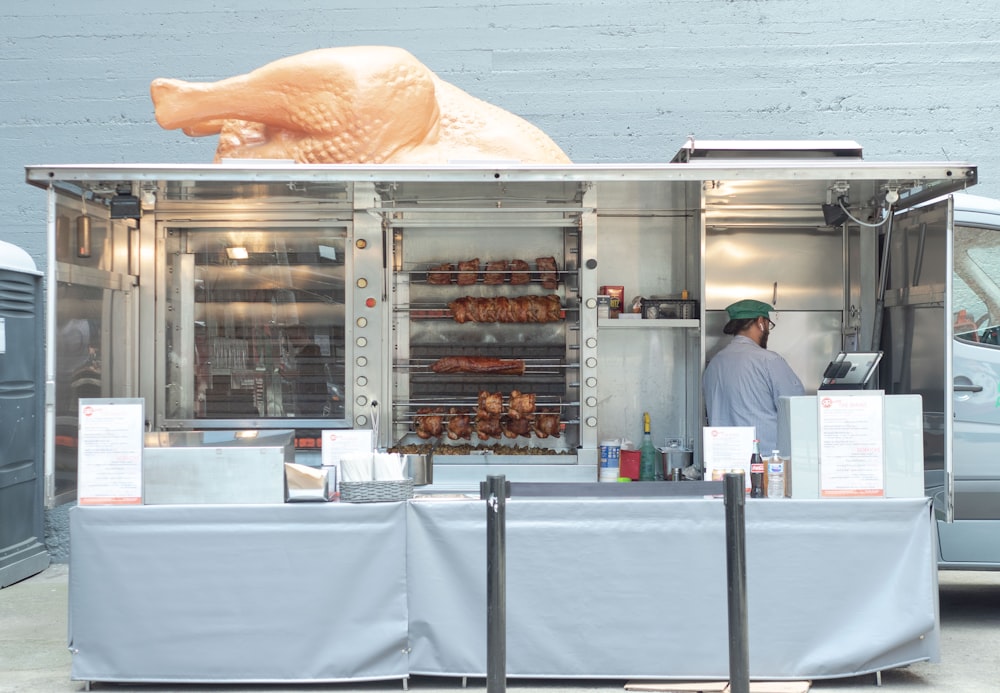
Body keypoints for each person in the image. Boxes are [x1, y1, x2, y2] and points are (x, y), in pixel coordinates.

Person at [702, 299, 805, 454]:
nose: (768, 330)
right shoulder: (769, 361)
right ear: (760, 322)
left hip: (724, 464)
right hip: (764, 465)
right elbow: (798, 409)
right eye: (768, 324)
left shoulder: (714, 364)